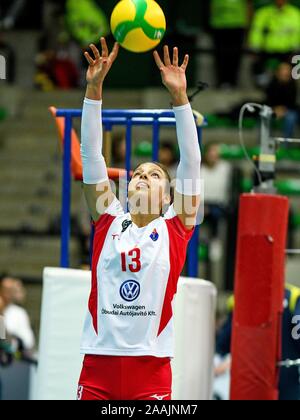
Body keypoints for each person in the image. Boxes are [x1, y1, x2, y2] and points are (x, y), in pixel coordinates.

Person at [77, 38, 201, 401]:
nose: (142, 176)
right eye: (137, 174)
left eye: (154, 174)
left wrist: (180, 98)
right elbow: (91, 154)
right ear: (126, 188)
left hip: (151, 370)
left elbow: (191, 163)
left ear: (167, 196)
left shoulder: (175, 228)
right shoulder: (108, 219)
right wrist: (93, 88)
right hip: (99, 365)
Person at [215, 284, 300, 400]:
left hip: (252, 382)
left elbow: (223, 343)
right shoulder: (293, 297)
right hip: (287, 381)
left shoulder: (240, 298)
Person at [249, 0, 300, 86]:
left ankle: (292, 85)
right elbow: (256, 31)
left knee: (296, 64)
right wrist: (255, 47)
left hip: (288, 50)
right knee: (257, 64)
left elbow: (297, 32)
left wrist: (296, 49)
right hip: (268, 49)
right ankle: (262, 86)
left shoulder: (295, 13)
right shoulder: (263, 13)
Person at [209, 0, 252, 88]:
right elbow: (212, 8)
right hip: (219, 26)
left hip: (237, 26)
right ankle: (221, 82)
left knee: (235, 56)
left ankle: (233, 82)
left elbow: (248, 6)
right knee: (220, 55)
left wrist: (248, 26)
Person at [0, 277, 35, 352]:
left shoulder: (18, 313)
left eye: (10, 291)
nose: (7, 294)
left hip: (11, 359)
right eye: (4, 290)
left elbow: (28, 342)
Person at [265, 62, 299, 139]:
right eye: (283, 69)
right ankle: (264, 143)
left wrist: (284, 109)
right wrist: (275, 109)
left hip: (288, 110)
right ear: (278, 72)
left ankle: (286, 145)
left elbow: (293, 102)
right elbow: (268, 100)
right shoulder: (272, 84)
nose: (286, 72)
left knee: (291, 117)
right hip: (274, 109)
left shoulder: (293, 85)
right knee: (265, 115)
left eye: (288, 70)